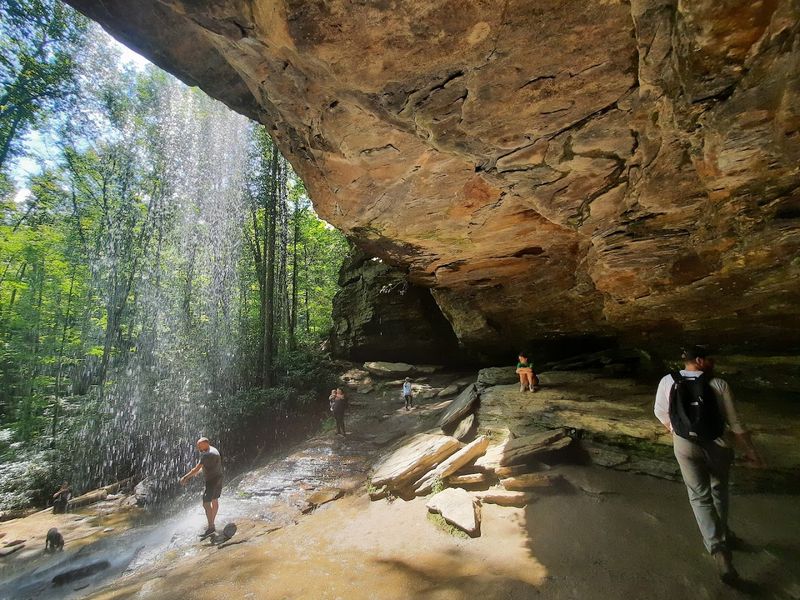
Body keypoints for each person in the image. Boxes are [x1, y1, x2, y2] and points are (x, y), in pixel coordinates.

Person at [654, 345, 763, 585]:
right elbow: (736, 424)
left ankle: (718, 548)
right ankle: (723, 537)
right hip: (718, 445)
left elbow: (660, 412)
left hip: (684, 445)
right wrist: (751, 452)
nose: (714, 363)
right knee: (718, 489)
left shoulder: (667, 381)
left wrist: (677, 431)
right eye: (711, 359)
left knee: (699, 496)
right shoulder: (719, 384)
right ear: (701, 361)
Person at [179, 437, 224, 538]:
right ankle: (211, 522)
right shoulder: (212, 449)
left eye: (199, 446)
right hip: (219, 477)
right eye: (198, 446)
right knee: (214, 500)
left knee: (206, 503)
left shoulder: (207, 454)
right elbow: (206, 467)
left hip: (212, 481)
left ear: (206, 444)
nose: (198, 448)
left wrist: (185, 477)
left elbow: (197, 468)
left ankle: (211, 527)